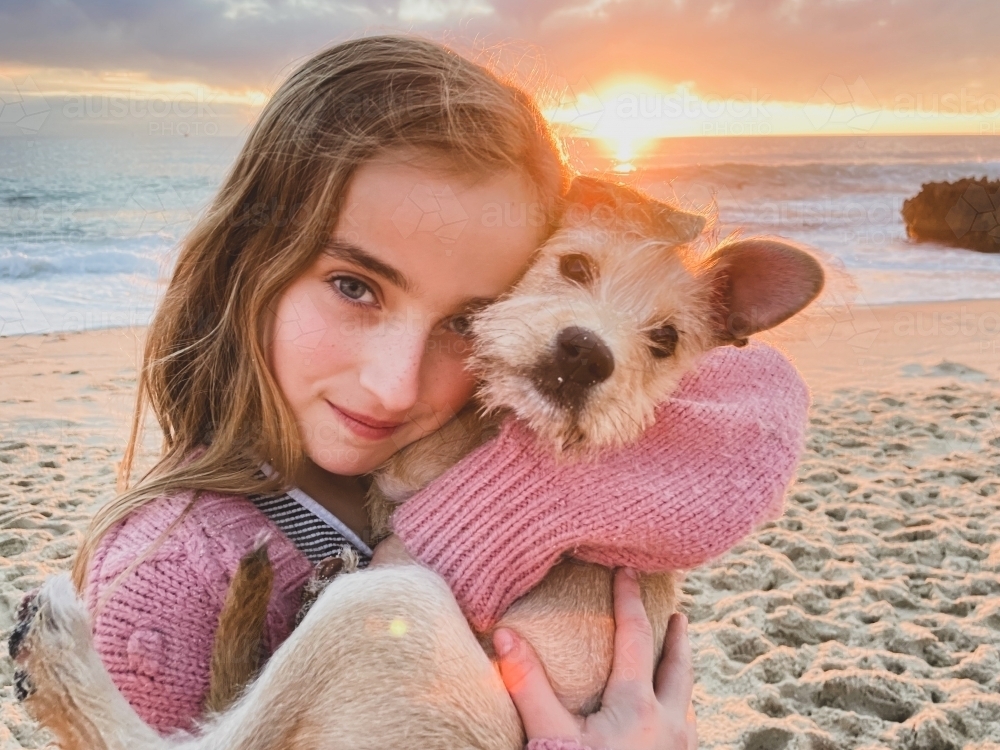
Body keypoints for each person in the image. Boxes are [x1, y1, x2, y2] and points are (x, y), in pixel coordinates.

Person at [68, 35, 808, 749]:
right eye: (353, 286)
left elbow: (759, 411)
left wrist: (508, 503)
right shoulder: (164, 584)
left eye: (467, 319)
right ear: (244, 261)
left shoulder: (494, 427)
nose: (394, 385)